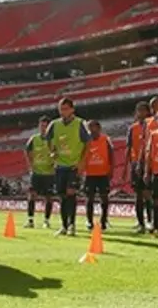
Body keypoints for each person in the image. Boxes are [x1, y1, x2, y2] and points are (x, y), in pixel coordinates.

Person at [46, 97, 91, 236]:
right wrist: (52, 152)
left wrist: (82, 162)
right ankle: (64, 225)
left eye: (65, 109)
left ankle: (72, 225)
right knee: (62, 196)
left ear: (72, 109)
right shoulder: (54, 125)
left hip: (73, 165)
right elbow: (48, 139)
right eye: (61, 109)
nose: (63, 112)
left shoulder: (80, 124)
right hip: (60, 166)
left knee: (71, 193)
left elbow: (88, 144)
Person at [125, 101, 152, 233]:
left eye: (143, 110)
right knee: (138, 195)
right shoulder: (132, 128)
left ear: (148, 112)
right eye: (138, 111)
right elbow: (128, 148)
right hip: (135, 163)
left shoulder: (152, 126)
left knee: (148, 194)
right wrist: (126, 167)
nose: (141, 113)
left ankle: (151, 221)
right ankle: (141, 222)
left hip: (147, 163)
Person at [82, 120, 113, 231]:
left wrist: (111, 170)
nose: (91, 130)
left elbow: (111, 155)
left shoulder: (105, 140)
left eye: (93, 127)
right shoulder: (85, 141)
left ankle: (104, 221)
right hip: (89, 174)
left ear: (99, 128)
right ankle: (89, 221)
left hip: (103, 174)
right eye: (89, 128)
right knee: (89, 198)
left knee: (104, 198)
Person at [24, 116, 55, 229]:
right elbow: (27, 152)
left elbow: (57, 153)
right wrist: (30, 167)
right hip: (36, 173)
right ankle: (30, 220)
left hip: (49, 173)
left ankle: (46, 221)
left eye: (46, 126)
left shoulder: (53, 139)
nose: (43, 128)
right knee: (32, 196)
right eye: (42, 126)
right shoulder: (34, 139)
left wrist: (54, 163)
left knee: (48, 197)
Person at [144, 108, 158, 233]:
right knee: (156, 199)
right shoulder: (154, 134)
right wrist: (147, 171)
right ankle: (156, 224)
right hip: (156, 172)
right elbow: (148, 155)